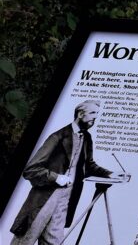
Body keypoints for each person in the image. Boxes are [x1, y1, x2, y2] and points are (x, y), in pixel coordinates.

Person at [10, 101, 127, 245]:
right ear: (80, 114)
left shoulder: (87, 138)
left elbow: (89, 165)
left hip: (66, 200)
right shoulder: (57, 137)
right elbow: (31, 169)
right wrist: (57, 178)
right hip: (45, 198)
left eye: (97, 114)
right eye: (92, 113)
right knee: (25, 240)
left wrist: (110, 174)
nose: (95, 118)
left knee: (54, 241)